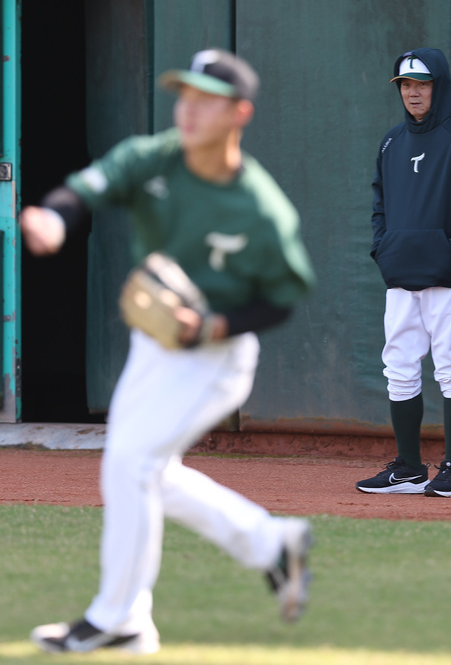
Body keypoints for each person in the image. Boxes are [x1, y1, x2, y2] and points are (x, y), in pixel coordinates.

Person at [21, 49, 316, 655]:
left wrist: (213, 324)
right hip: (152, 348)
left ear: (239, 113)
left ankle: (117, 618)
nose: (187, 109)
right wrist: (54, 218)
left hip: (215, 359)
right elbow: (84, 191)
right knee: (144, 471)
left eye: (205, 99)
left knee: (130, 464)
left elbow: (283, 298)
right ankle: (270, 543)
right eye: (184, 94)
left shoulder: (259, 207)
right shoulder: (153, 157)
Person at [356, 48, 451, 498]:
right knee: (398, 367)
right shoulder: (391, 142)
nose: (413, 92)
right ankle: (409, 467)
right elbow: (380, 203)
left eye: (421, 83)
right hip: (402, 273)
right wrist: (384, 248)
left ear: (439, 85)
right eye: (405, 85)